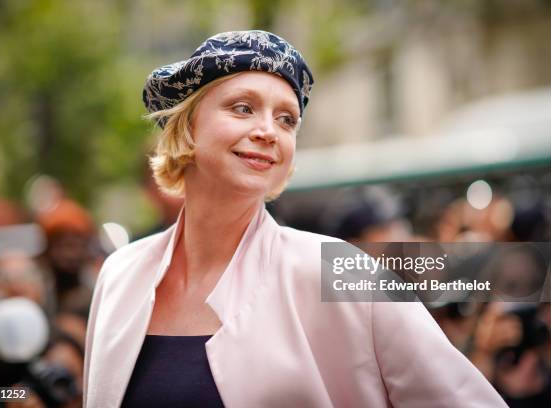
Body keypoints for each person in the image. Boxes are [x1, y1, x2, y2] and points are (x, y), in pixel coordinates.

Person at [83, 30, 506, 407]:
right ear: (188, 127)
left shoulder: (339, 270)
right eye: (243, 108)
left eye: (287, 119)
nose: (269, 130)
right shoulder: (120, 274)